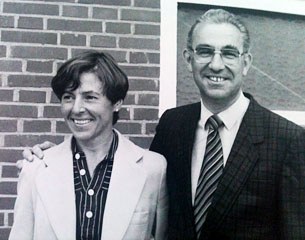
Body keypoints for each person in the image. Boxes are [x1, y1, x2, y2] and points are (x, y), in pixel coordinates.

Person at [21, 9, 305, 240]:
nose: (216, 65)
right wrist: (51, 157)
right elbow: (141, 186)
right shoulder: (174, 125)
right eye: (205, 51)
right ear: (188, 59)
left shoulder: (289, 140)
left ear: (246, 63)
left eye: (229, 53)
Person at [10, 51, 168, 240]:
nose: (76, 109)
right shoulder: (35, 167)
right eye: (68, 97)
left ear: (116, 103)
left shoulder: (154, 169)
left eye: (90, 97)